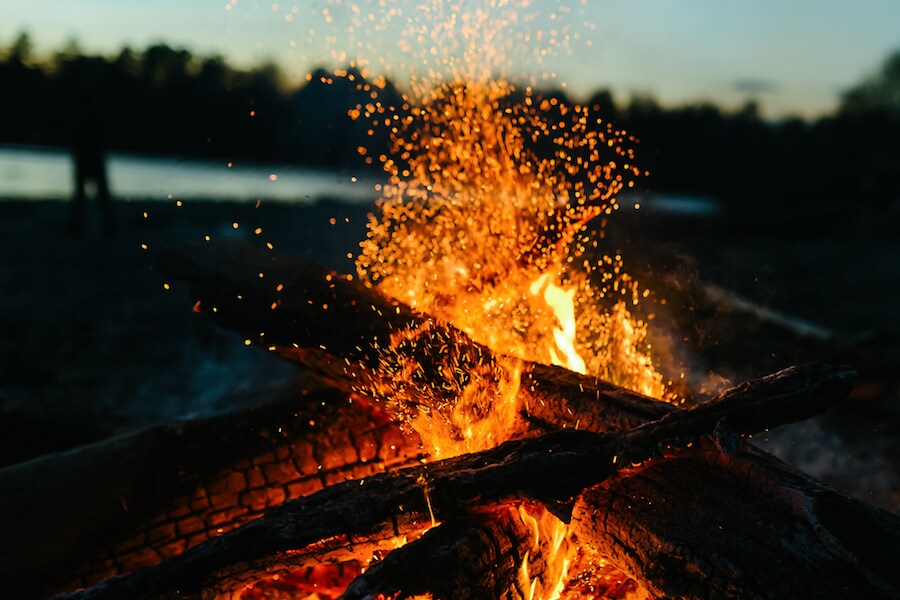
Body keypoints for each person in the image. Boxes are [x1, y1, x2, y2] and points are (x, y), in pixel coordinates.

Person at [70, 112, 114, 235]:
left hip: (89, 157)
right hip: (90, 157)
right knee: (97, 196)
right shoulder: (93, 119)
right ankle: (108, 227)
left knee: (84, 196)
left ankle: (77, 227)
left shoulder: (84, 119)